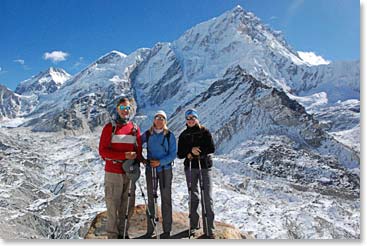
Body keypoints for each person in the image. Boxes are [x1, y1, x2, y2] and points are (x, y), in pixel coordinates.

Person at [99, 97, 142, 239]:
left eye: (127, 108)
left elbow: (139, 151)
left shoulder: (135, 129)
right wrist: (124, 155)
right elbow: (103, 151)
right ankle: (112, 236)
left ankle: (123, 234)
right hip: (113, 173)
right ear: (117, 109)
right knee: (113, 206)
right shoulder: (110, 128)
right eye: (122, 108)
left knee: (128, 206)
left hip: (129, 173)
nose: (125, 111)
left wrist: (141, 162)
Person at [177, 109, 216, 239]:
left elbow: (211, 148)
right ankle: (194, 225)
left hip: (204, 166)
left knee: (207, 197)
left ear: (197, 118)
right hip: (190, 167)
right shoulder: (183, 135)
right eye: (188, 118)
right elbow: (180, 154)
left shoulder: (205, 132)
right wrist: (190, 151)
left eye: (193, 117)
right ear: (186, 120)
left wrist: (198, 151)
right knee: (193, 196)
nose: (191, 120)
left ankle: (209, 228)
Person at [141, 110, 176, 239]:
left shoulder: (169, 135)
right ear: (154, 120)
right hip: (151, 170)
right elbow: (138, 143)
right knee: (151, 198)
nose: (159, 120)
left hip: (165, 170)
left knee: (166, 198)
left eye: (162, 118)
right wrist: (141, 158)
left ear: (165, 121)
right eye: (157, 117)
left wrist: (160, 162)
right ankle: (150, 229)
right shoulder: (148, 134)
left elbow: (173, 154)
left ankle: (167, 229)